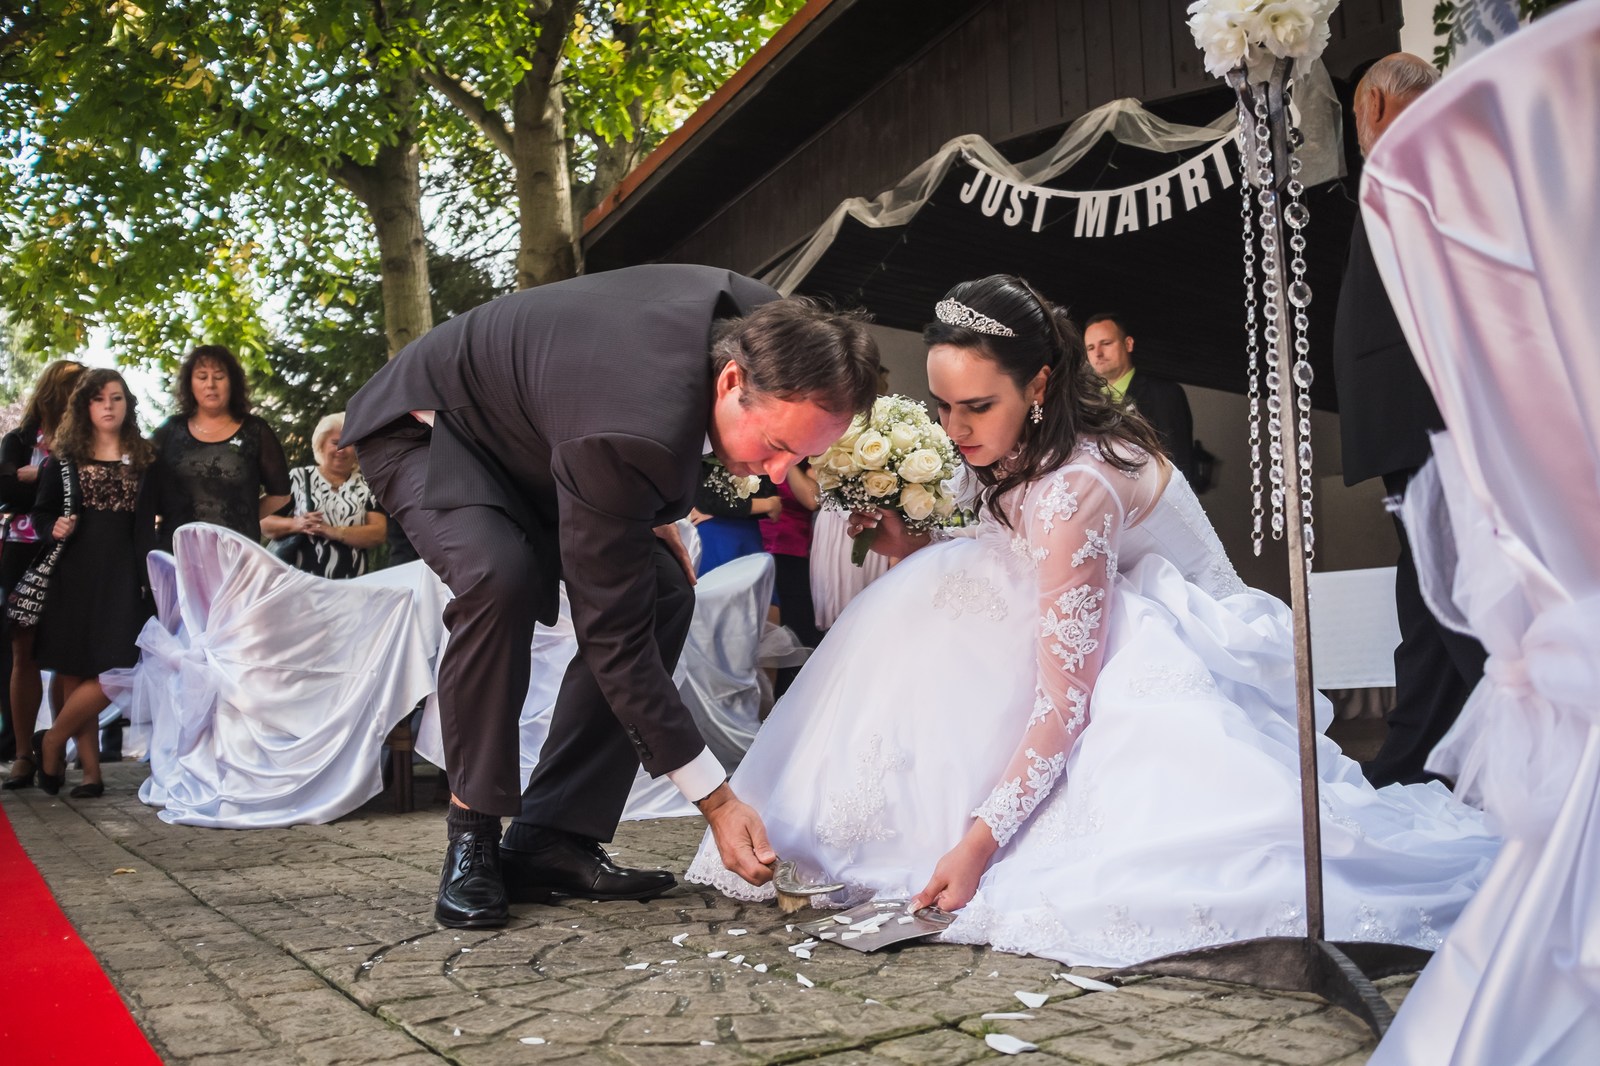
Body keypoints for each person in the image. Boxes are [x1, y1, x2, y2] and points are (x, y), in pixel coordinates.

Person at [687, 275, 1497, 965]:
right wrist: (911, 543)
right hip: (1067, 605)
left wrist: (979, 844)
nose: (955, 430)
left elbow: (1064, 703)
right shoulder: (1014, 442)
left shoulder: (1079, 487)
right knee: (927, 605)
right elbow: (1001, 547)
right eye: (941, 405)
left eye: (977, 406)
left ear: (1038, 385)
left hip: (1173, 643)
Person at [342, 264, 880, 929]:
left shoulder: (778, 332)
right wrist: (716, 800)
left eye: (798, 458)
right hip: (433, 429)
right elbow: (613, 639)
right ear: (731, 381)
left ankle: (552, 836)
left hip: (549, 438)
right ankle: (472, 832)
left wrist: (647, 506)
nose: (775, 474)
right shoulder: (631, 429)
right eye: (774, 447)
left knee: (663, 590)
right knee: (500, 579)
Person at [1332, 53, 1486, 789]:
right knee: (1426, 588)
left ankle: (1528, 727)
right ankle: (1411, 756)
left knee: (1449, 581)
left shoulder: (1416, 166)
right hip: (1412, 415)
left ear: (1372, 107)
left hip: (1425, 415)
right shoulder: (1419, 168)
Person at [31, 370, 156, 798]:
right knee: (75, 667)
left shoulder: (146, 458)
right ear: (85, 406)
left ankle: (51, 741)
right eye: (99, 398)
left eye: (116, 398)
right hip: (75, 573)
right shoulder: (64, 459)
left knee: (123, 666)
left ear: (127, 405)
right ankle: (90, 774)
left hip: (127, 574)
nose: (108, 406)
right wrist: (52, 527)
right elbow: (41, 513)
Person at [0, 359, 84, 789]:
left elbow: (85, 493)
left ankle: (55, 746)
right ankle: (21, 754)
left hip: (72, 551)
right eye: (73, 388)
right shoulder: (18, 440)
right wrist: (49, 480)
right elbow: (6, 489)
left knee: (65, 651)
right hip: (23, 550)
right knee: (24, 650)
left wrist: (40, 474)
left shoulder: (88, 440)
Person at [148, 345, 291, 550]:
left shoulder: (255, 430)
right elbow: (141, 480)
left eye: (219, 376)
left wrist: (244, 517)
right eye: (202, 377)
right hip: (177, 552)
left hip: (235, 554)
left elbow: (281, 495)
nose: (210, 384)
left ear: (232, 382)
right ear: (190, 384)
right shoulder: (170, 430)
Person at [262, 412, 386, 579]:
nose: (341, 449)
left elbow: (378, 533)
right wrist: (297, 524)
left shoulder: (367, 485)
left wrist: (335, 532)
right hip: (300, 582)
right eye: (335, 443)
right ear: (321, 445)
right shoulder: (299, 477)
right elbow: (264, 521)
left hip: (352, 583)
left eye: (348, 444)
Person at [1083, 312, 1195, 480]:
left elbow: (1179, 462)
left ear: (1128, 344)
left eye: (1106, 343)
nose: (1098, 353)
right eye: (1090, 348)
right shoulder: (1081, 400)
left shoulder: (1165, 394)